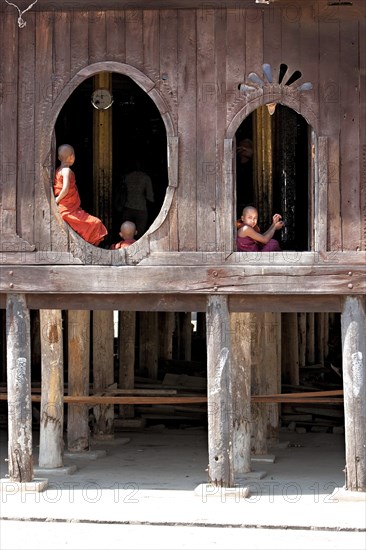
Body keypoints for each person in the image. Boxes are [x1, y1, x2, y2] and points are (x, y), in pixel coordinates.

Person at [54, 144, 108, 246]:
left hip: (68, 206)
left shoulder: (58, 170)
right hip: (68, 207)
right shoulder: (66, 171)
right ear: (72, 156)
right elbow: (65, 189)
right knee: (95, 223)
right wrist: (57, 200)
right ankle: (89, 246)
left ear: (58, 157)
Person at [117, 163, 154, 238]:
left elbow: (121, 193)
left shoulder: (127, 177)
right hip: (141, 209)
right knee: (140, 235)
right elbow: (150, 197)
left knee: (126, 233)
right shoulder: (146, 178)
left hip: (128, 208)